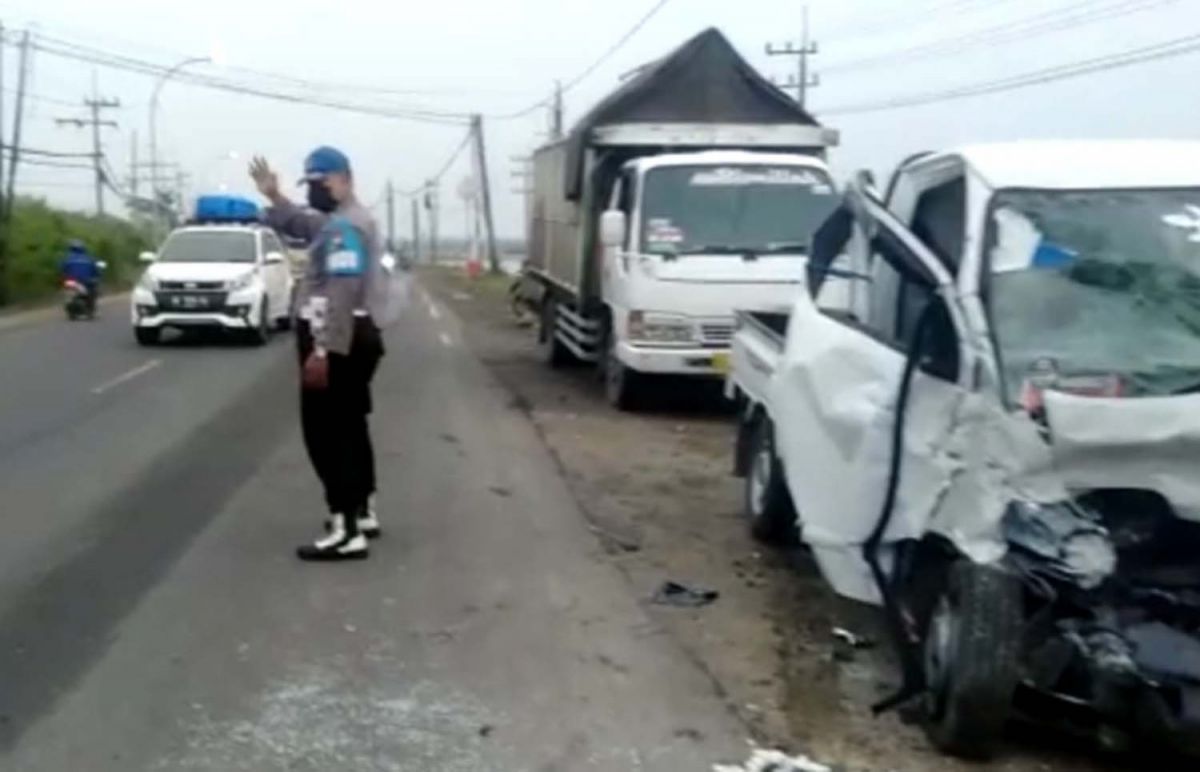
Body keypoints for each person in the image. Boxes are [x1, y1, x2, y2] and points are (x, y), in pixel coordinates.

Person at [249, 147, 386, 561]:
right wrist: (275, 197)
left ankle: (345, 529)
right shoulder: (344, 221)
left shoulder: (345, 229)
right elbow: (304, 223)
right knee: (351, 425)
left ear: (345, 178)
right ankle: (360, 511)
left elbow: (341, 292)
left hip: (338, 335)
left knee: (328, 434)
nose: (316, 191)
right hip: (356, 334)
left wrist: (322, 349)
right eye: (310, 184)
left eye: (322, 183)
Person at [60, 239, 101, 313]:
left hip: (71, 281)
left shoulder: (67, 259)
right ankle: (90, 307)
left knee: (66, 288)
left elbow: (62, 269)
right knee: (93, 288)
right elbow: (96, 271)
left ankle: (71, 304)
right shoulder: (89, 259)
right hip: (86, 281)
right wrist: (97, 276)